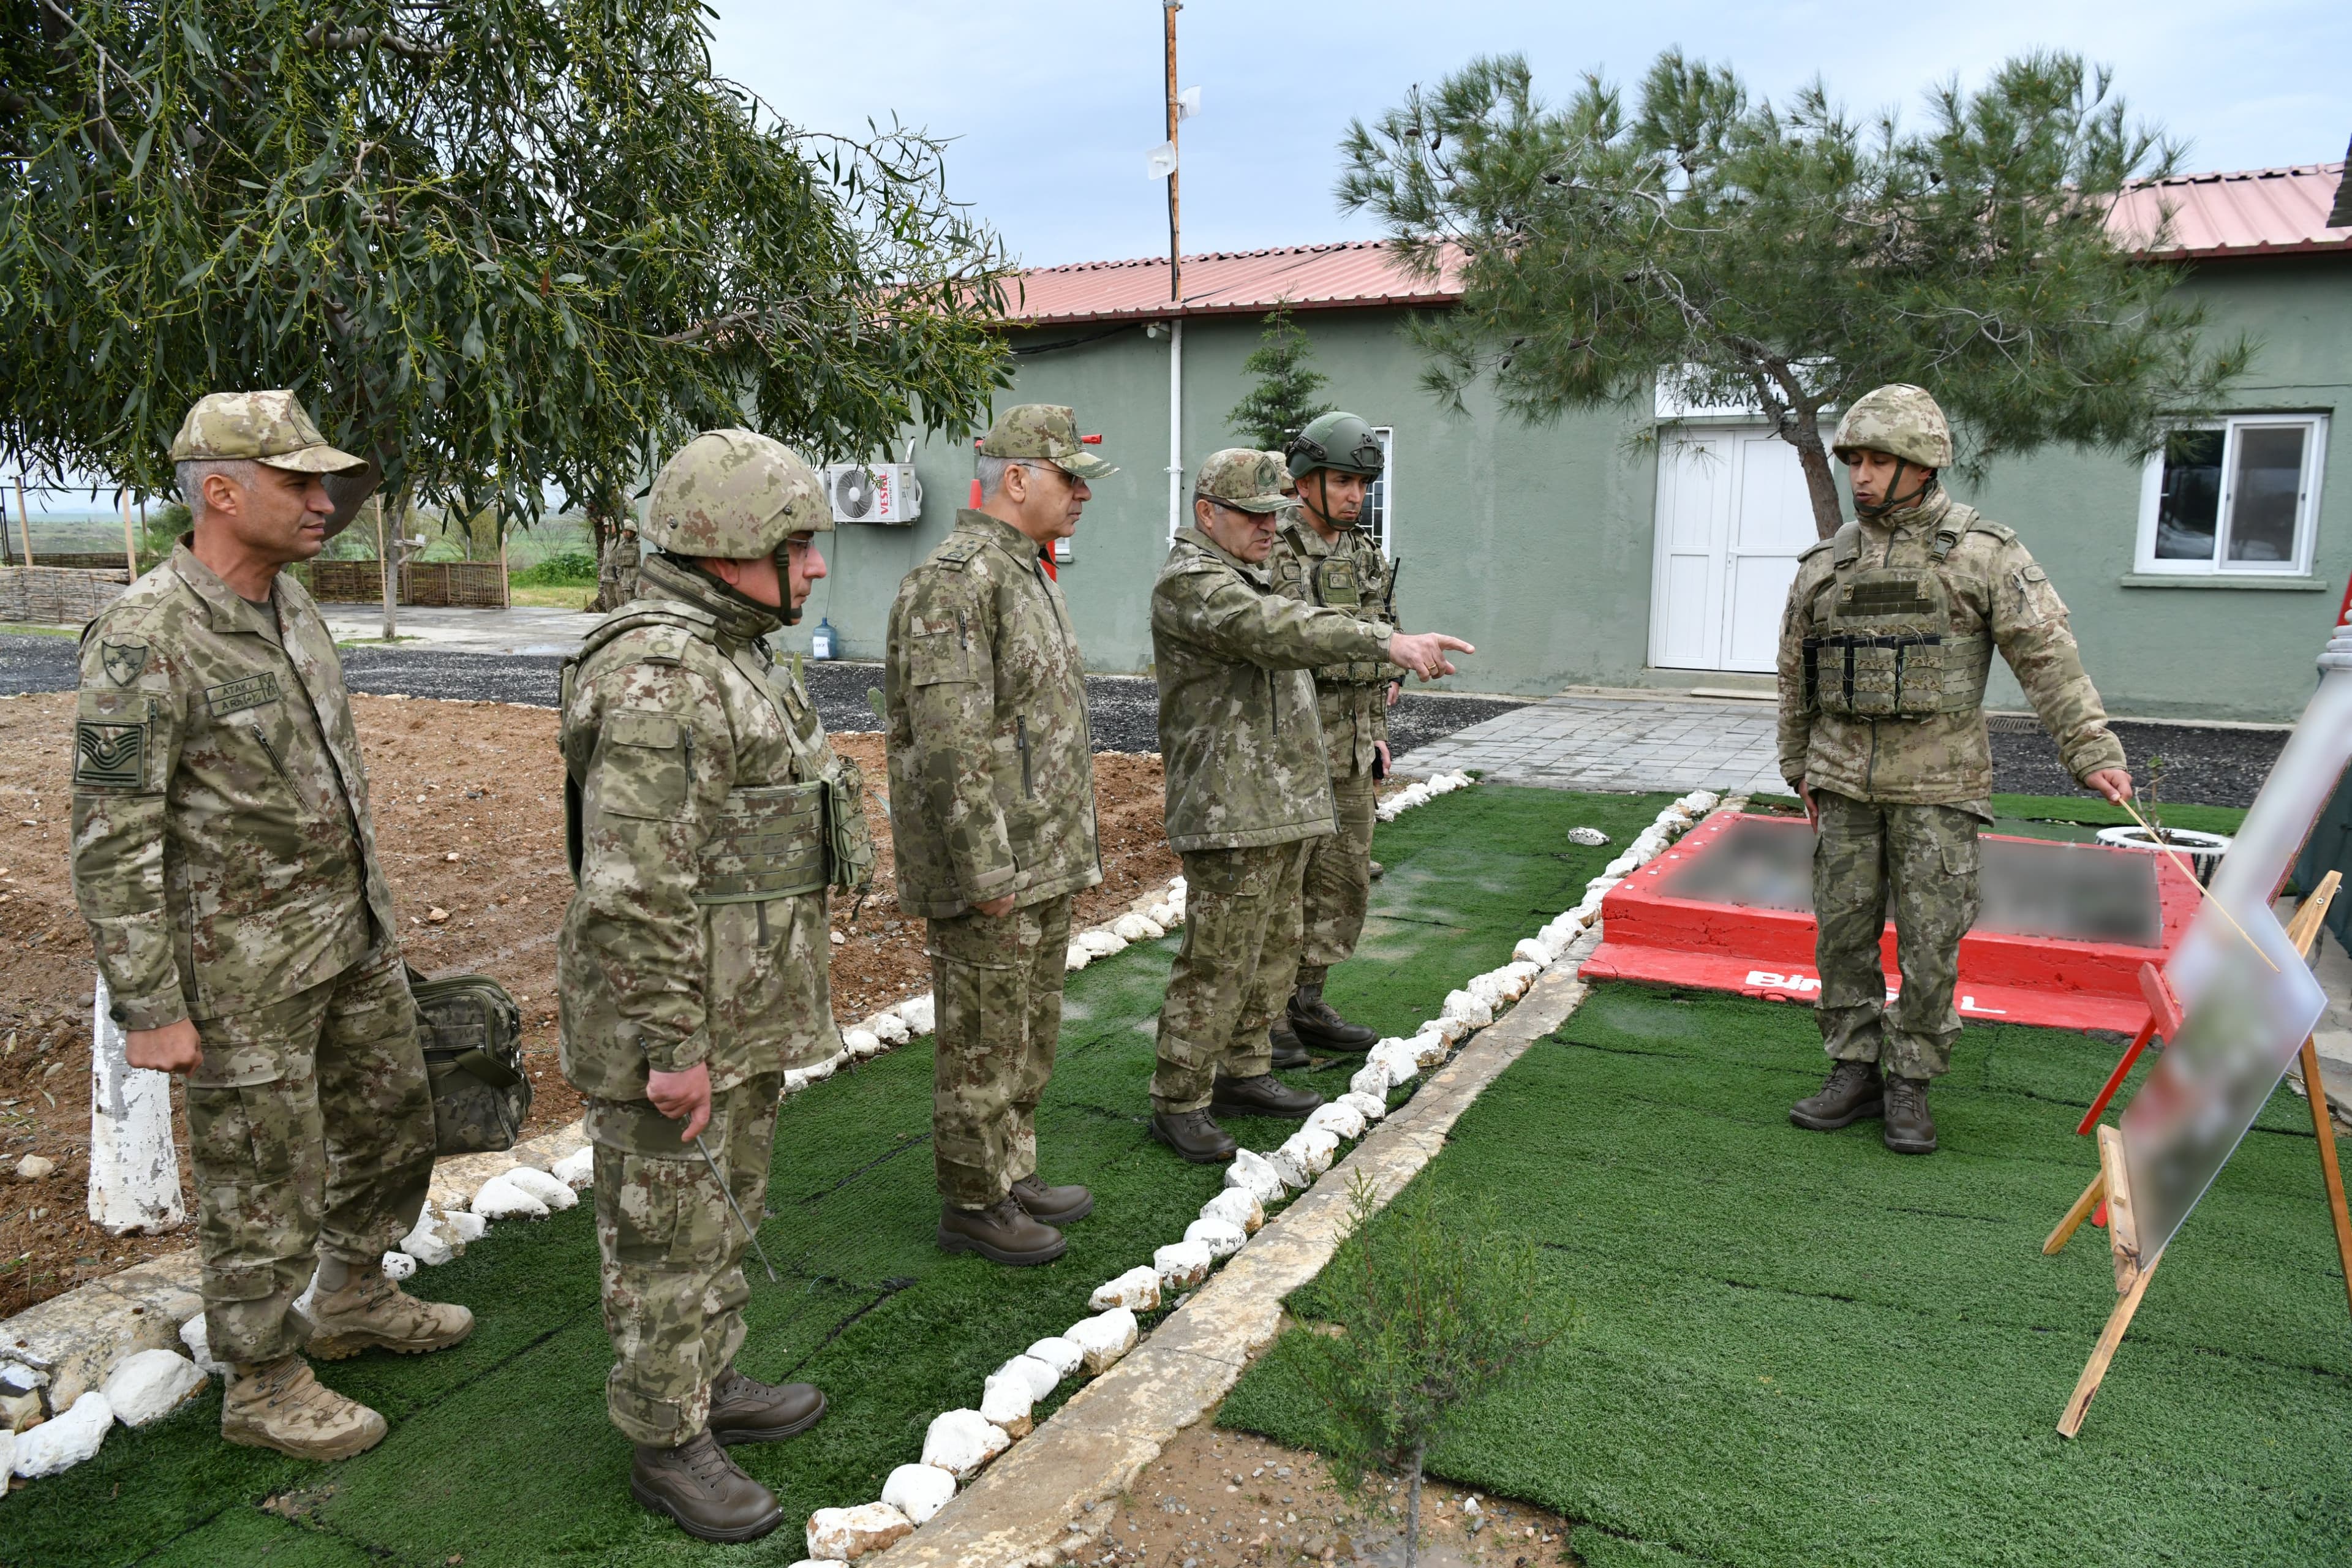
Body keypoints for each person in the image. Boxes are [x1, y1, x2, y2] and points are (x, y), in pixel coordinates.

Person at [69, 391, 469, 1462]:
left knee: (394, 1121)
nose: (324, 502)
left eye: (325, 482)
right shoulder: (143, 637)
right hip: (240, 978)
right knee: (262, 1178)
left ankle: (351, 1295)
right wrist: (149, 1007)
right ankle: (262, 1379)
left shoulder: (292, 609)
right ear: (220, 491)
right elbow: (112, 834)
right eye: (299, 483)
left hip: (349, 940)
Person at [558, 429, 867, 1542]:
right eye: (800, 543)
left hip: (738, 1010)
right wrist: (673, 1045)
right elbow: (634, 889)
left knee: (721, 1215)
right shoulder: (662, 676)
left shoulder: (729, 653)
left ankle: (710, 1382)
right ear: (728, 545)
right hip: (681, 1022)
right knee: (663, 1237)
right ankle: (663, 1437)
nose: (818, 566)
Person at [1777, 384, 2133, 1155]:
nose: (1862, 477)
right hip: (1843, 785)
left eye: (1879, 461)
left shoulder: (1984, 555)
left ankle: (1911, 1080)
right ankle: (1854, 1067)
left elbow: (2048, 659)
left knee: (1932, 941)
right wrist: (1796, 763)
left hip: (1939, 788)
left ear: (1924, 465)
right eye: (1856, 461)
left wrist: (2093, 751)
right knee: (1841, 936)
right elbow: (1794, 674)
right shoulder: (1825, 565)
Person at [1147, 449, 1474, 1163]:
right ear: (1208, 513)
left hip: (1280, 796)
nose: (1271, 526)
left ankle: (1244, 1069)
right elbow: (1281, 631)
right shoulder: (1195, 583)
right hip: (1230, 803)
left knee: (1274, 946)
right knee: (1218, 958)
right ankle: (1179, 1097)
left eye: (1276, 513)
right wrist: (1387, 641)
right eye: (1254, 515)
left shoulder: (1246, 572)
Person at [884, 405, 1117, 1267]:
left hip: (1041, 856)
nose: (1083, 494)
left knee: (1028, 1030)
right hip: (997, 865)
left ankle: (1011, 1170)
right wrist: (986, 867)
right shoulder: (959, 581)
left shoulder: (1025, 572)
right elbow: (949, 741)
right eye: (1070, 478)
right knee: (983, 1039)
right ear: (1016, 478)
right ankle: (973, 1201)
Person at [1265, 413, 1405, 1064]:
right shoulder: (1271, 546)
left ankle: (1308, 1001)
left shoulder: (1364, 553)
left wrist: (1377, 732)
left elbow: (1385, 643)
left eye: (1364, 484)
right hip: (1288, 750)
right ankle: (1262, 1020)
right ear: (1306, 479)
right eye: (1344, 481)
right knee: (1282, 889)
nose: (1356, 495)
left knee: (1341, 883)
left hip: (1351, 746)